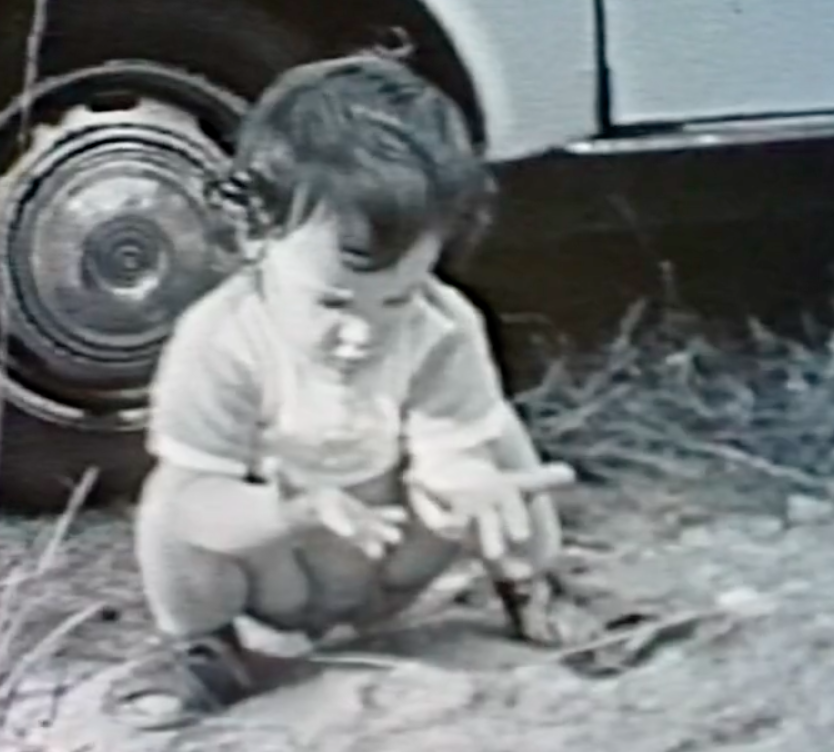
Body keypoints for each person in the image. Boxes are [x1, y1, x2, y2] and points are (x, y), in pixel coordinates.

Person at [127, 42, 575, 723]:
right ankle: (205, 650)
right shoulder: (221, 341)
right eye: (334, 302)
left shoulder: (442, 324)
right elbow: (196, 507)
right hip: (284, 574)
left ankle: (530, 583)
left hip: (396, 557)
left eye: (395, 298)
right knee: (169, 504)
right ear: (256, 233)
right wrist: (291, 510)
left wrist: (467, 486)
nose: (364, 333)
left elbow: (450, 447)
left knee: (500, 447)